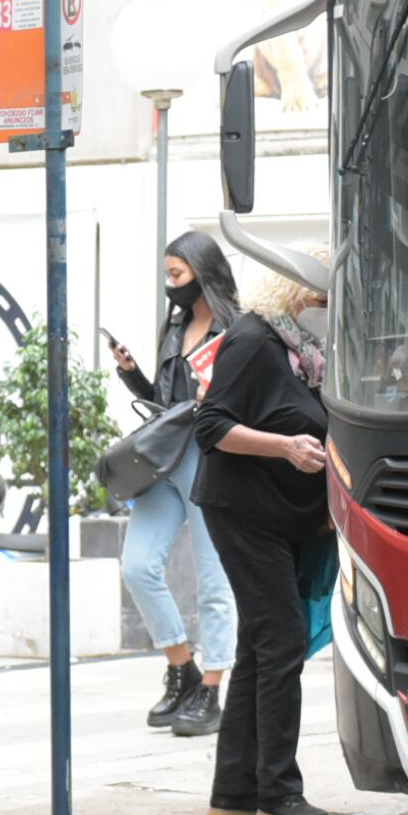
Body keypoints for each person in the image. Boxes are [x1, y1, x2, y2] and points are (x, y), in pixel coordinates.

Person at [193, 260, 335, 815]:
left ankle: (234, 791)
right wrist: (285, 448)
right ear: (299, 289)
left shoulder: (299, 349)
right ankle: (279, 792)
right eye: (326, 291)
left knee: (260, 646)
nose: (331, 303)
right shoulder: (254, 338)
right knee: (282, 641)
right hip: (244, 512)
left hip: (280, 516)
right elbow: (211, 426)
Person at [106, 232, 241, 739]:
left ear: (203, 272)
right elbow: (166, 401)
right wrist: (132, 373)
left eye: (177, 275)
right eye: (168, 275)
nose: (171, 285)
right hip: (162, 461)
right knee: (138, 565)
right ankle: (180, 665)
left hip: (208, 459)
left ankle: (211, 685)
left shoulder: (234, 328)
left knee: (214, 580)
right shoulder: (176, 324)